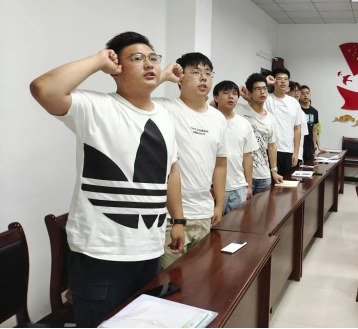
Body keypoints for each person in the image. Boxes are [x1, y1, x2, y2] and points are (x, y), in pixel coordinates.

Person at [30, 32, 185, 328]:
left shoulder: (164, 117)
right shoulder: (96, 107)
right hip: (102, 255)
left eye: (153, 58)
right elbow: (43, 88)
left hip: (149, 249)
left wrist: (178, 220)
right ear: (116, 67)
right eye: (137, 58)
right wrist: (98, 60)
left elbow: (171, 171)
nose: (149, 64)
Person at [155, 53, 228, 269]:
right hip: (171, 217)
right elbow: (135, 96)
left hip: (204, 213)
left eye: (208, 73)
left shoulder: (218, 118)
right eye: (196, 72)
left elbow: (221, 164)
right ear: (179, 78)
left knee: (198, 277)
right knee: (171, 279)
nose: (203, 78)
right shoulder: (165, 108)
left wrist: (219, 204)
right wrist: (163, 75)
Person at [242, 68, 303, 177]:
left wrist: (296, 152)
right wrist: (266, 82)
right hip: (268, 148)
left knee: (286, 182)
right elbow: (252, 100)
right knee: (270, 182)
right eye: (279, 79)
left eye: (286, 79)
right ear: (273, 81)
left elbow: (297, 128)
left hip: (287, 150)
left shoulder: (294, 103)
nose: (283, 81)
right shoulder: (266, 98)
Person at [213, 80, 258, 214]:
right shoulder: (208, 121)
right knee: (213, 226)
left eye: (234, 93)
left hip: (238, 187)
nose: (231, 96)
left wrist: (248, 185)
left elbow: (247, 156)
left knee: (236, 226)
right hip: (212, 187)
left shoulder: (244, 124)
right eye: (226, 93)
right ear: (216, 98)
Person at [236, 73, 283, 195]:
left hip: (264, 176)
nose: (262, 92)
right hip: (242, 175)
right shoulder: (239, 109)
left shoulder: (271, 118)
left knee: (263, 207)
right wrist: (237, 93)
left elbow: (272, 146)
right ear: (250, 93)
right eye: (257, 89)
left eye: (264, 88)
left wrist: (274, 171)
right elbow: (214, 105)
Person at [299, 86, 325, 162]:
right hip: (298, 143)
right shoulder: (297, 109)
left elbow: (314, 130)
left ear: (310, 95)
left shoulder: (314, 111)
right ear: (299, 95)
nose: (305, 95)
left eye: (307, 93)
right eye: (303, 93)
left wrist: (314, 145)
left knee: (309, 164)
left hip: (309, 144)